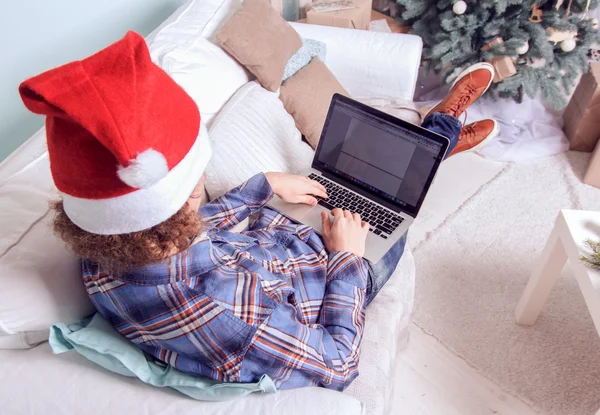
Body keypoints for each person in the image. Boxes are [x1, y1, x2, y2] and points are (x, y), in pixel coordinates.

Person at [19, 32, 496, 391]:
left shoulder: (109, 247)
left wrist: (261, 186)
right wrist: (348, 257)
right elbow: (338, 365)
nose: (202, 183)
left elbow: (188, 235)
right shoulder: (224, 320)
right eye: (197, 175)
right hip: (335, 271)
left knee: (357, 178)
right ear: (181, 197)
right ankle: (440, 134)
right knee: (393, 205)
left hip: (275, 233)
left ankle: (431, 144)